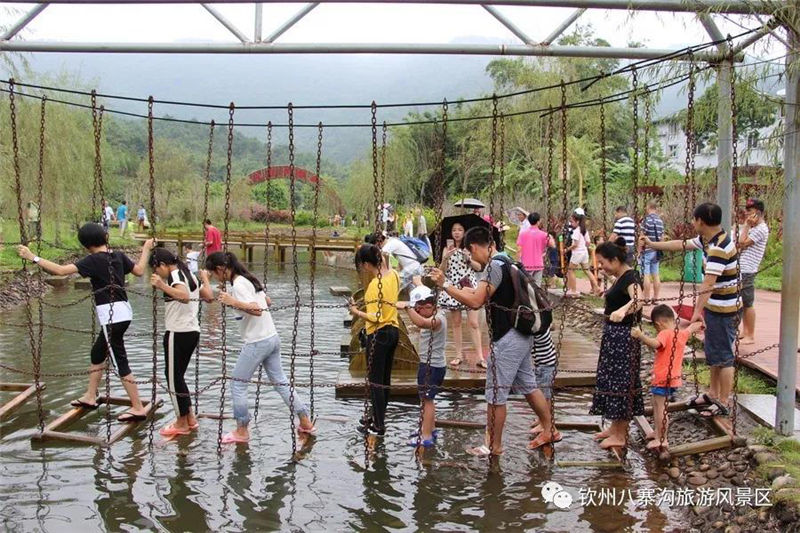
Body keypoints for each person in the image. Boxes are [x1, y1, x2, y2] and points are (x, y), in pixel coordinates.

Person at [430, 226, 557, 456]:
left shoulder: (494, 267)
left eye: (470, 253)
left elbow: (476, 301)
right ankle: (549, 429)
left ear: (474, 247)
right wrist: (454, 287)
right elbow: (477, 295)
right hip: (522, 333)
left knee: (495, 395)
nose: (472, 259)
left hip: (508, 337)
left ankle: (493, 446)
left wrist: (445, 285)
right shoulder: (507, 261)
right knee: (528, 386)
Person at [17, 223, 151, 421]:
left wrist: (33, 257)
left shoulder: (93, 260)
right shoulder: (118, 256)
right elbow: (139, 270)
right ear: (106, 238)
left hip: (112, 318)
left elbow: (61, 271)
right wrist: (146, 248)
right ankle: (90, 396)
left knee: (120, 362)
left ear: (86, 245)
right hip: (123, 313)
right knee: (97, 354)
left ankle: (137, 407)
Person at [641, 202, 739, 422]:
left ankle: (724, 402)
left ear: (700, 221)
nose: (693, 223)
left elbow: (708, 284)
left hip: (724, 310)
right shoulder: (708, 240)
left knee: (724, 357)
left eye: (694, 219)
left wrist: (696, 313)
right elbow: (681, 244)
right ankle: (713, 394)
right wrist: (653, 244)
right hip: (715, 307)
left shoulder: (719, 248)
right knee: (713, 353)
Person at [205, 251, 316, 443]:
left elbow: (257, 310)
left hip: (257, 341)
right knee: (280, 381)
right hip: (271, 337)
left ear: (221, 269)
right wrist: (240, 302)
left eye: (214, 273)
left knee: (237, 384)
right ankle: (305, 420)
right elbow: (268, 301)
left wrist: (233, 301)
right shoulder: (248, 279)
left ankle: (241, 430)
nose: (215, 277)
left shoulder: (238, 284)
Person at [149, 247, 213, 436]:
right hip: (192, 332)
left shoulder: (175, 275)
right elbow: (209, 297)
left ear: (162, 265)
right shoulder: (189, 275)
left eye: (156, 269)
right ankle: (190, 418)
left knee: (172, 378)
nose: (156, 273)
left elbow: (183, 297)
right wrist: (205, 279)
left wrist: (161, 285)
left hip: (177, 332)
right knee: (178, 377)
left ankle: (181, 423)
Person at [589, 237, 644, 452]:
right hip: (614, 337)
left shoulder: (631, 277)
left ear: (614, 260)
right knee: (612, 381)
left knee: (622, 384)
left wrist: (622, 310)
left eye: (602, 263)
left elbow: (638, 300)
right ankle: (614, 428)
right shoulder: (621, 276)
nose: (601, 267)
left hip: (624, 339)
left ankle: (620, 435)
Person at [631, 305, 703, 451]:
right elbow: (691, 328)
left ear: (659, 324)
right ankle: (657, 432)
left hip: (663, 378)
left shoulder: (664, 333)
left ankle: (661, 439)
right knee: (656, 403)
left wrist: (640, 335)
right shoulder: (681, 333)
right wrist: (699, 323)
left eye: (656, 328)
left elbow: (655, 344)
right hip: (673, 378)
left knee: (660, 408)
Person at [349, 244, 401, 436]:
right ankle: (376, 417)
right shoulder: (394, 275)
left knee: (375, 382)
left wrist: (355, 311)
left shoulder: (374, 286)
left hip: (378, 334)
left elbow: (375, 316)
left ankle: (378, 425)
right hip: (393, 331)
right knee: (384, 380)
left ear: (366, 264)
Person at [398, 285, 447, 448]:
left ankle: (426, 436)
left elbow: (422, 322)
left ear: (428, 306)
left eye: (419, 309)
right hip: (431, 365)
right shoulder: (437, 314)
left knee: (427, 401)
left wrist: (408, 308)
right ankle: (430, 429)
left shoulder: (437, 319)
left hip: (432, 367)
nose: (417, 313)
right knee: (427, 399)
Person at [437, 222, 485, 369]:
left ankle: (480, 357)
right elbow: (442, 270)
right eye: (454, 230)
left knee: (474, 323)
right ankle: (458, 355)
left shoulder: (470, 247)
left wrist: (468, 258)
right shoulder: (447, 248)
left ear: (464, 232)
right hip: (453, 287)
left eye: (460, 230)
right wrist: (446, 257)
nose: (457, 232)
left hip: (469, 286)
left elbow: (479, 267)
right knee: (456, 323)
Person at [737, 198, 769, 345]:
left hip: (748, 269)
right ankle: (745, 331)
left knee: (747, 302)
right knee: (743, 302)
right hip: (742, 268)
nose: (746, 213)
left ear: (757, 212)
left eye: (749, 210)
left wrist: (746, 225)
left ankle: (750, 335)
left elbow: (741, 243)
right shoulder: (754, 228)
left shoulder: (761, 229)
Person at [528, 325, 558, 440]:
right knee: (544, 393)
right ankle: (542, 419)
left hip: (546, 366)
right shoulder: (542, 324)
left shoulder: (536, 329)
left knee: (545, 396)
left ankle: (544, 424)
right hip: (544, 364)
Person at [565, 212, 602, 297]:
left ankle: (573, 290)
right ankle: (597, 287)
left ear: (577, 222)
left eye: (572, 222)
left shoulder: (576, 231)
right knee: (587, 271)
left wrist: (567, 249)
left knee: (570, 270)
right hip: (584, 253)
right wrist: (584, 247)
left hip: (577, 253)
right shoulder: (584, 230)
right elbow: (588, 242)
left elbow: (575, 244)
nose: (571, 223)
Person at [517, 212, 552, 287]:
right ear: (538, 222)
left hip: (526, 265)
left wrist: (518, 262)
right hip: (538, 264)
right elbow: (552, 244)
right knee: (537, 287)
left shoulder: (522, 234)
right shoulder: (543, 234)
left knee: (527, 287)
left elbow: (519, 250)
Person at [640, 201, 665, 304]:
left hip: (647, 250)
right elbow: (662, 237)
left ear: (648, 207)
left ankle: (646, 298)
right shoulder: (660, 221)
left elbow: (642, 237)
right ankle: (656, 298)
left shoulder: (646, 220)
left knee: (646, 275)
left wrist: (639, 250)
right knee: (656, 275)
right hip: (656, 251)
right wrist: (660, 248)